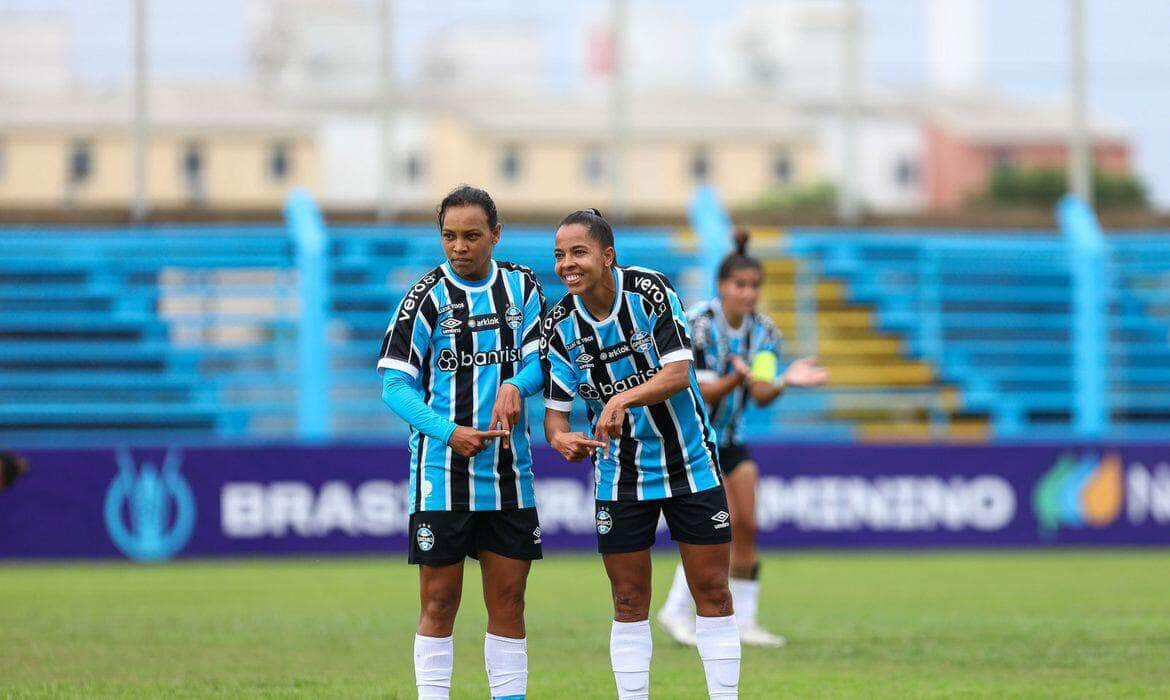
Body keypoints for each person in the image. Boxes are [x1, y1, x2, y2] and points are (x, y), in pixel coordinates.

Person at [542, 208, 741, 700]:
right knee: (628, 599)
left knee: (712, 592)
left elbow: (678, 371)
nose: (567, 263)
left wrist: (619, 398)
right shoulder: (559, 322)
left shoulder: (649, 291)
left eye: (579, 252)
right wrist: (561, 438)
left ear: (608, 256)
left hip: (690, 461)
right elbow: (556, 414)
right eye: (560, 255)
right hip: (618, 473)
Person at [378, 185, 546, 700]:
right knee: (440, 602)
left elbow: (545, 360)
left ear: (496, 234)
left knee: (509, 601)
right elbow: (393, 386)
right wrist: (448, 432)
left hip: (508, 473)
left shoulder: (522, 287)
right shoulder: (424, 298)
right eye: (449, 237)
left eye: (472, 236)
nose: (459, 247)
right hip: (440, 475)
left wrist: (518, 384)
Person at [656, 228, 829, 648]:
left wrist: (785, 379)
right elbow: (697, 386)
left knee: (746, 524)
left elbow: (763, 392)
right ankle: (677, 611)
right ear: (722, 286)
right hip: (694, 439)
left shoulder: (765, 333)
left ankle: (746, 621)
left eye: (754, 286)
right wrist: (739, 375)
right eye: (740, 285)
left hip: (731, 438)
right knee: (715, 528)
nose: (748, 294)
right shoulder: (696, 324)